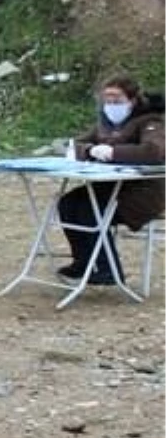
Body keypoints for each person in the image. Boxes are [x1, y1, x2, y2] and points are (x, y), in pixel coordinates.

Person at [58, 75, 166, 284]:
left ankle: (108, 270)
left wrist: (113, 152)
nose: (111, 105)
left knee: (91, 210)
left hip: (145, 192)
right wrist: (90, 150)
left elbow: (153, 151)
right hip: (113, 186)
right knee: (68, 203)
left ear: (132, 100)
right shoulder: (104, 124)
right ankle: (83, 262)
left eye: (116, 99)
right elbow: (75, 144)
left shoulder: (150, 122)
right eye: (106, 99)